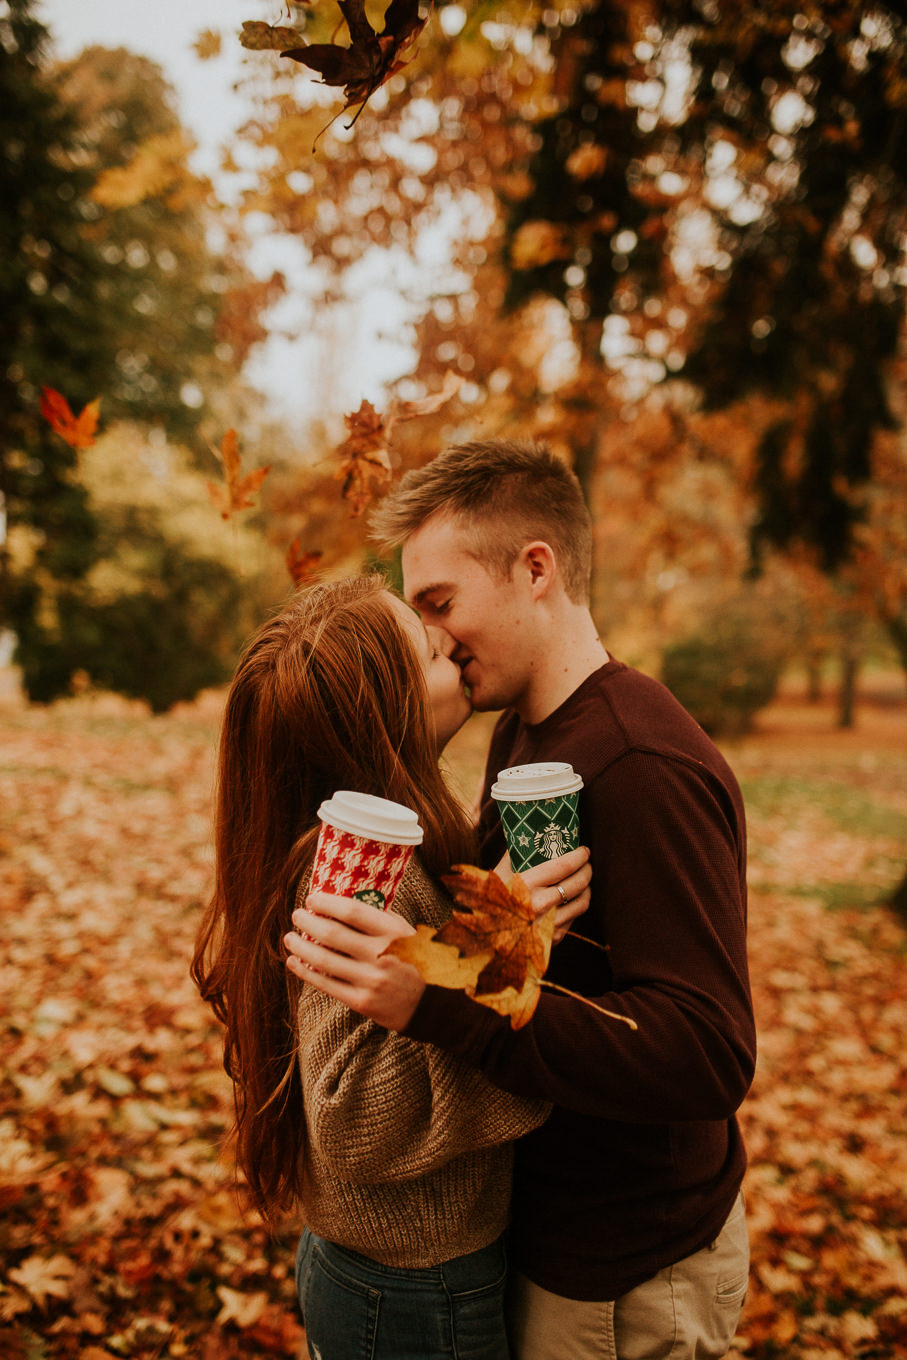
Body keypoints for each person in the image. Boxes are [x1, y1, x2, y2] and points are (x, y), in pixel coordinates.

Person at [285, 439, 757, 1360]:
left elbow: (707, 1052)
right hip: (543, 1239)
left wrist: (443, 1000)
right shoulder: (526, 738)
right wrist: (470, 953)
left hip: (621, 1273)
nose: (436, 638)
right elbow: (525, 953)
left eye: (441, 604)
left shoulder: (639, 762)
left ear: (534, 569)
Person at [191, 574, 592, 1360]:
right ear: (387, 718)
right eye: (432, 653)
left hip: (391, 1276)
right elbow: (349, 1121)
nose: (454, 646)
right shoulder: (365, 879)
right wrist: (498, 943)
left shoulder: (378, 843)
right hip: (413, 1289)